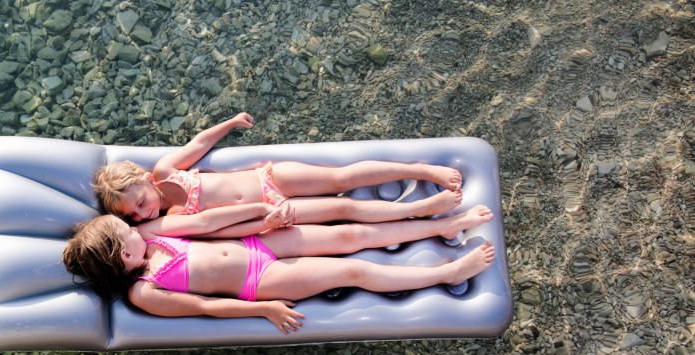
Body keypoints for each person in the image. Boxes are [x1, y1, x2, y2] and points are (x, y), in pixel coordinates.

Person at [62, 206, 497, 334]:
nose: (133, 227)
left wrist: (264, 219)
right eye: (126, 231)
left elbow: (209, 226)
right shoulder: (145, 291)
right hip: (259, 281)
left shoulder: (153, 233)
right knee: (355, 271)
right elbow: (206, 308)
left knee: (349, 235)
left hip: (255, 242)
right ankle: (447, 274)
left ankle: (443, 225)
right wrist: (264, 309)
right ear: (123, 257)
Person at [92, 112, 465, 234]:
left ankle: (420, 169)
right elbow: (223, 229)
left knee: (342, 178)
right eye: (133, 215)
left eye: (139, 203)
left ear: (143, 178)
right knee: (345, 210)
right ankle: (421, 209)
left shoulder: (166, 171)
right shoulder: (172, 220)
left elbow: (199, 143)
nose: (142, 214)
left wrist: (230, 123)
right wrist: (269, 223)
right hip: (271, 211)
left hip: (268, 180)